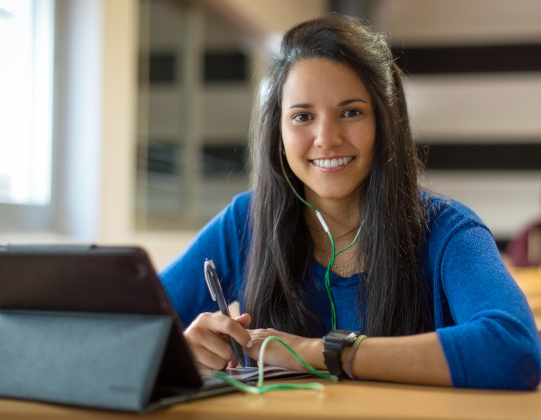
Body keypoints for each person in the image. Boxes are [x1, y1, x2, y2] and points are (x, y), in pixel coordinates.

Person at [159, 14, 541, 390]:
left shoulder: (445, 230)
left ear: (385, 124)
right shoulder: (247, 220)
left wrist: (320, 352)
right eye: (302, 116)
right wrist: (183, 349)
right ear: (278, 133)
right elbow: (126, 324)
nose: (326, 137)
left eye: (351, 112)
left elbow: (516, 350)